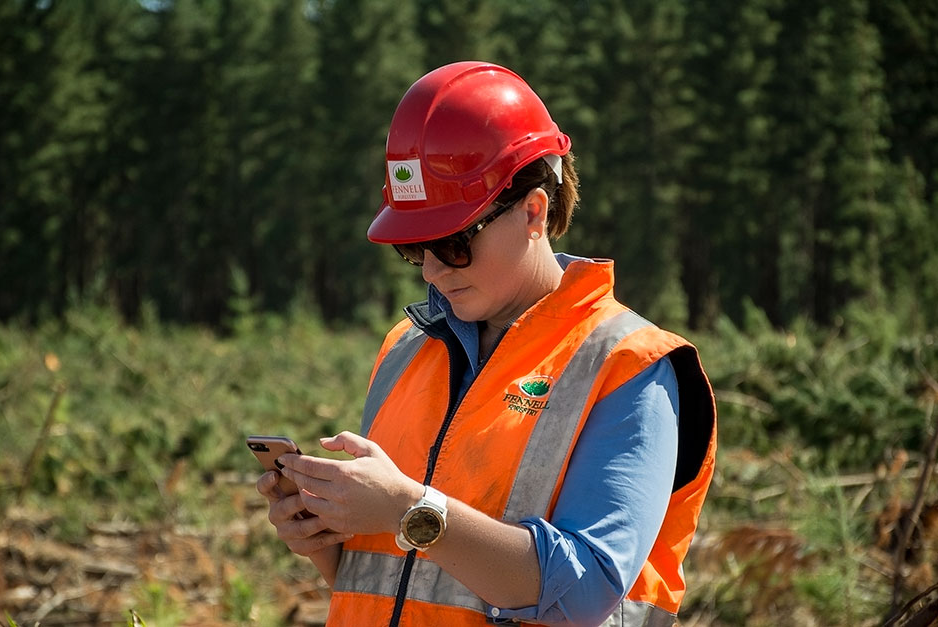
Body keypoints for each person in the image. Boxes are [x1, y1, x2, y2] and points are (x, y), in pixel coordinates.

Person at [257, 61, 717, 627]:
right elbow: (407, 585)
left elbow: (586, 592)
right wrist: (325, 538)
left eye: (451, 242)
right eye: (412, 247)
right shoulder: (407, 348)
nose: (430, 271)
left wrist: (408, 508)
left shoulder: (628, 366)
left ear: (532, 211)